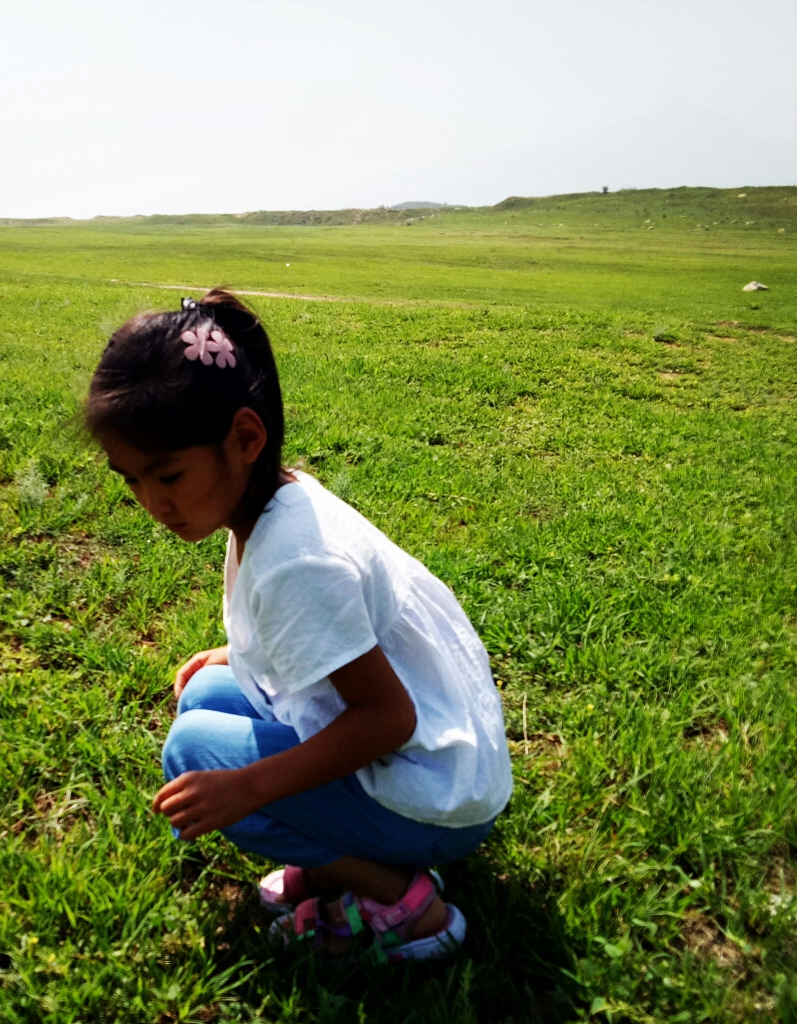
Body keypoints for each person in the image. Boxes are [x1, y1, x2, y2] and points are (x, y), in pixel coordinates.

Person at [83, 289, 512, 962]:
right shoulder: (278, 499)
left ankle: (405, 905)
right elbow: (343, 640)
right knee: (203, 697)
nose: (151, 503)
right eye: (130, 481)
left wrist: (248, 787)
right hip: (446, 757)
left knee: (197, 751)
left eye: (167, 474)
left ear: (245, 438)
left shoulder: (294, 561)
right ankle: (334, 860)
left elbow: (386, 719)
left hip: (438, 792)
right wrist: (237, 654)